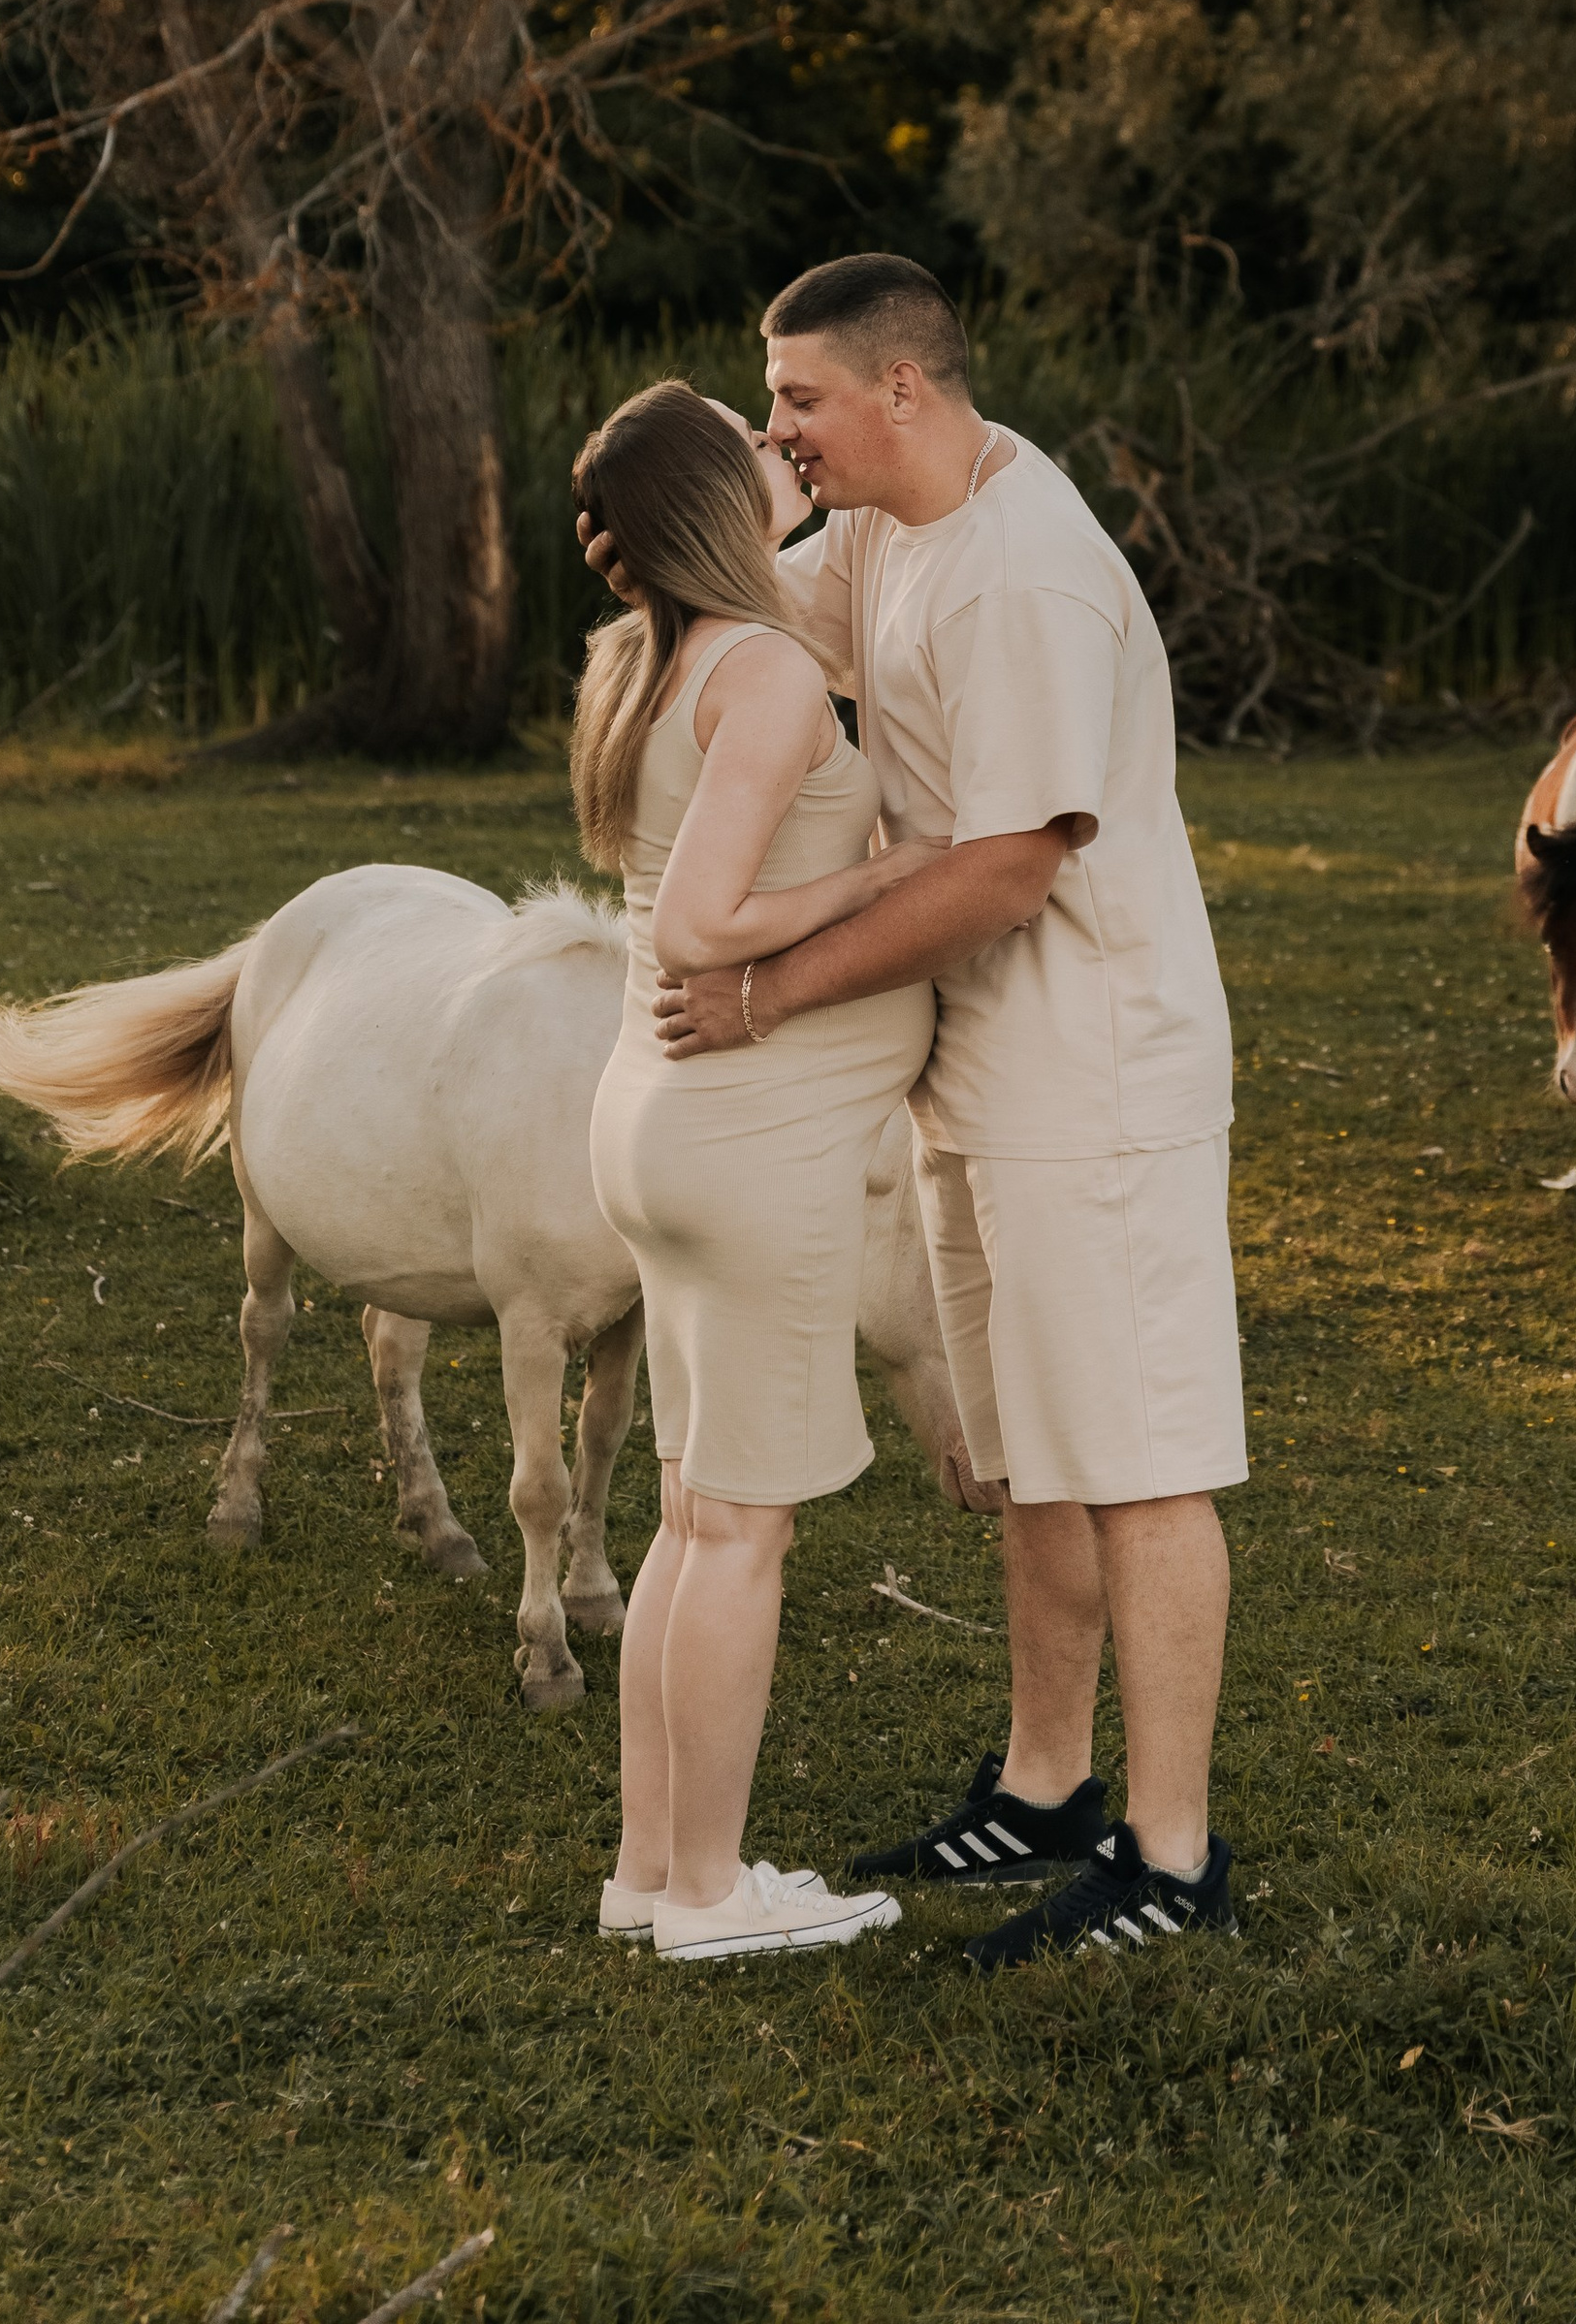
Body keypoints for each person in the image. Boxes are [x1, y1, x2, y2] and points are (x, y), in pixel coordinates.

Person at [588, 254, 1247, 1971]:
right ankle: (1042, 1787)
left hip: (1093, 1074)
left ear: (899, 390)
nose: (780, 430)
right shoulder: (883, 527)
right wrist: (652, 533)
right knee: (1031, 1449)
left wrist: (763, 989)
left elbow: (1015, 868)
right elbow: (736, 623)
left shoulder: (1024, 578)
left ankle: (1170, 1857)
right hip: (974, 1077)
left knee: (1140, 1463)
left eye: (794, 398)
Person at [573, 377, 941, 1962]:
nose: (779, 445)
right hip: (749, 1140)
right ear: (713, 499)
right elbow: (695, 925)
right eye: (750, 437)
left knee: (688, 1519)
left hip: (665, 1128)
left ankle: (653, 1873)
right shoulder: (770, 672)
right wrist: (890, 873)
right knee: (740, 1533)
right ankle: (715, 1895)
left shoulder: (652, 661)